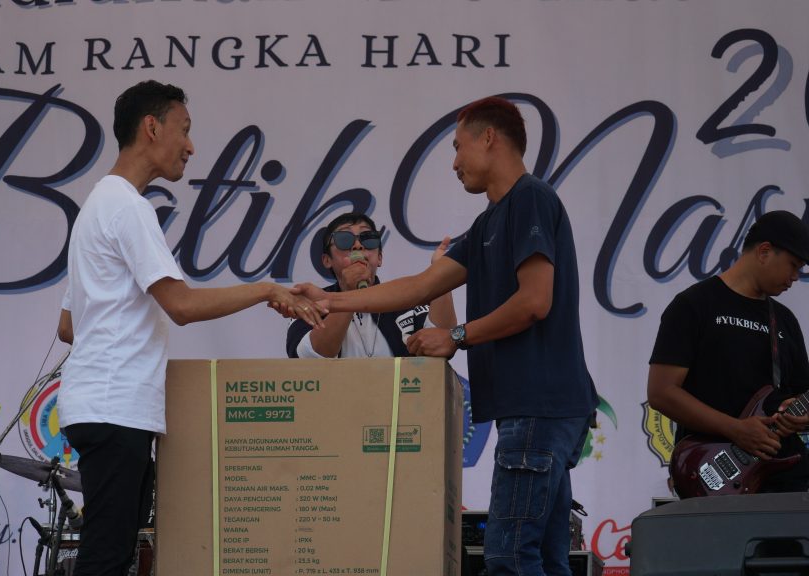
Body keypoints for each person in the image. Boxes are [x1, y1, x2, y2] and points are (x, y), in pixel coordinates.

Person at [293, 96, 598, 576]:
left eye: (457, 147)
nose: (454, 163)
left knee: (509, 557)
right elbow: (419, 286)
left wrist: (456, 334)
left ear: (489, 138)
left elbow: (534, 301)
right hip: (537, 409)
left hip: (539, 406)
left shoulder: (530, 198)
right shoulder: (489, 222)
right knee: (545, 559)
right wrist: (330, 301)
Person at [55, 80, 323, 576]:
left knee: (112, 554)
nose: (192, 146)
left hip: (100, 404)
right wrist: (266, 290)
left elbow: (69, 326)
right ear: (152, 128)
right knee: (106, 559)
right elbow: (180, 305)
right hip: (115, 408)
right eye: (185, 130)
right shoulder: (128, 207)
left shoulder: (97, 204)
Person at [648, 210, 809, 493]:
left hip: (784, 479)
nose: (795, 277)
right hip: (716, 474)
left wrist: (801, 417)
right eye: (793, 265)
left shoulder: (785, 320)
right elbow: (662, 393)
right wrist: (735, 429)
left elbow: (801, 393)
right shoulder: (693, 305)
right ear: (764, 251)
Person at [286, 212, 456, 358]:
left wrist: (442, 274)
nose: (358, 245)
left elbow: (442, 342)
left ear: (379, 257)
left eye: (368, 239)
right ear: (327, 260)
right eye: (344, 239)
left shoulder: (404, 298)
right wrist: (349, 292)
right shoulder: (313, 303)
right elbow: (307, 357)